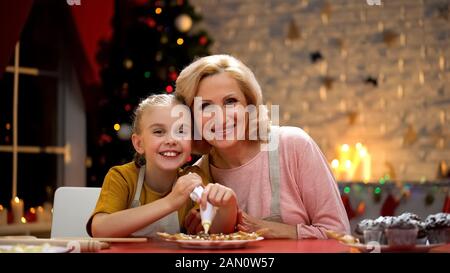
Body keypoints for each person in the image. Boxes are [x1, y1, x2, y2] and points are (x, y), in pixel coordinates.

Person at [175, 55, 350, 239]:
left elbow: (339, 235)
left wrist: (264, 228)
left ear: (249, 105)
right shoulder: (197, 178)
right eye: (205, 106)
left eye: (230, 101)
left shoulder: (294, 145)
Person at [87, 94, 238, 238]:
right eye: (159, 131)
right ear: (139, 144)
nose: (171, 140)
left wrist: (229, 206)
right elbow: (100, 229)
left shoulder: (193, 178)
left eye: (181, 131)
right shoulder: (122, 177)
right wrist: (170, 202)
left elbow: (216, 231)